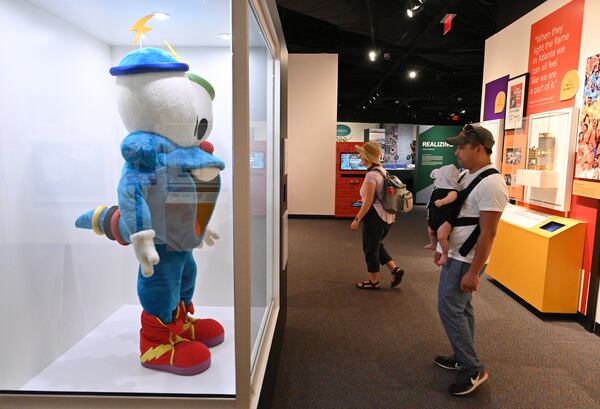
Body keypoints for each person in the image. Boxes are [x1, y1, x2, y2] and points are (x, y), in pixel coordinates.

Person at [433, 125, 509, 396]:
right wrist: (443, 248)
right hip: (454, 252)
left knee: (449, 307)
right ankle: (462, 355)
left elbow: (489, 232)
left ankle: (473, 368)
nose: (457, 152)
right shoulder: (467, 175)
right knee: (462, 309)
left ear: (478, 148)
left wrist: (475, 271)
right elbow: (458, 214)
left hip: (467, 258)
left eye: (462, 147)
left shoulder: (492, 183)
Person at [351, 141, 404, 289]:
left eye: (361, 154)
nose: (359, 157)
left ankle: (373, 281)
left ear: (366, 157)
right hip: (387, 217)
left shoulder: (371, 176)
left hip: (375, 217)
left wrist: (357, 219)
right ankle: (395, 269)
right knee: (376, 244)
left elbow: (367, 202)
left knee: (370, 248)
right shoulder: (382, 170)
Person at [424, 164, 461, 267]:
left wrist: (443, 201)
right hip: (434, 215)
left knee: (442, 237)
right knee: (431, 231)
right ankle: (432, 244)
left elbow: (452, 197)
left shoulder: (452, 190)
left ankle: (445, 254)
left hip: (445, 217)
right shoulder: (437, 189)